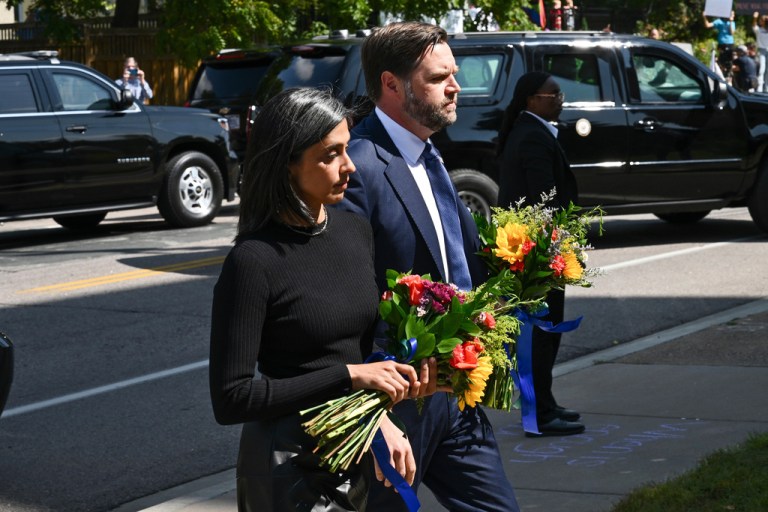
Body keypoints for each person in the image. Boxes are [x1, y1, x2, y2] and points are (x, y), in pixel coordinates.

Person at [209, 87, 424, 512]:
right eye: (330, 155)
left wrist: (379, 413)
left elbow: (358, 356)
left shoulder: (354, 231)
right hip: (287, 465)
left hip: (351, 450)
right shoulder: (253, 261)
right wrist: (350, 376)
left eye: (348, 148)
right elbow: (232, 398)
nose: (350, 168)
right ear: (286, 165)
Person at [335, 21, 521, 512]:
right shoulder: (359, 167)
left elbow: (457, 264)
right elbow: (349, 298)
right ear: (392, 84)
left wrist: (525, 265)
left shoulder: (431, 155)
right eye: (438, 78)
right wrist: (374, 410)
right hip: (397, 403)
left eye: (452, 73)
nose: (455, 86)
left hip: (455, 394)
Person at [496, 71, 583, 438]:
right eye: (553, 94)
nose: (560, 98)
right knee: (541, 334)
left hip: (537, 251)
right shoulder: (532, 136)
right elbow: (542, 201)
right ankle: (540, 414)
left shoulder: (532, 130)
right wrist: (557, 247)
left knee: (546, 334)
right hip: (537, 254)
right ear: (532, 99)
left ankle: (545, 402)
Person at [704, 10, 736, 80]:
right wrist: (704, 17)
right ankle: (721, 77)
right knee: (721, 61)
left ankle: (729, 77)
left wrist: (730, 22)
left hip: (730, 44)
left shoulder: (732, 23)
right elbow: (708, 25)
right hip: (722, 45)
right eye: (731, 14)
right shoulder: (719, 21)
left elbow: (731, 33)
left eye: (733, 15)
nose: (733, 16)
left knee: (730, 62)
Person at [753, 12, 768, 92]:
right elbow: (754, 26)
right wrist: (755, 18)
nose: (761, 21)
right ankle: (759, 87)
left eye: (762, 20)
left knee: (767, 71)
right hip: (761, 50)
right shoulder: (759, 30)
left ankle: (766, 88)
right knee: (762, 69)